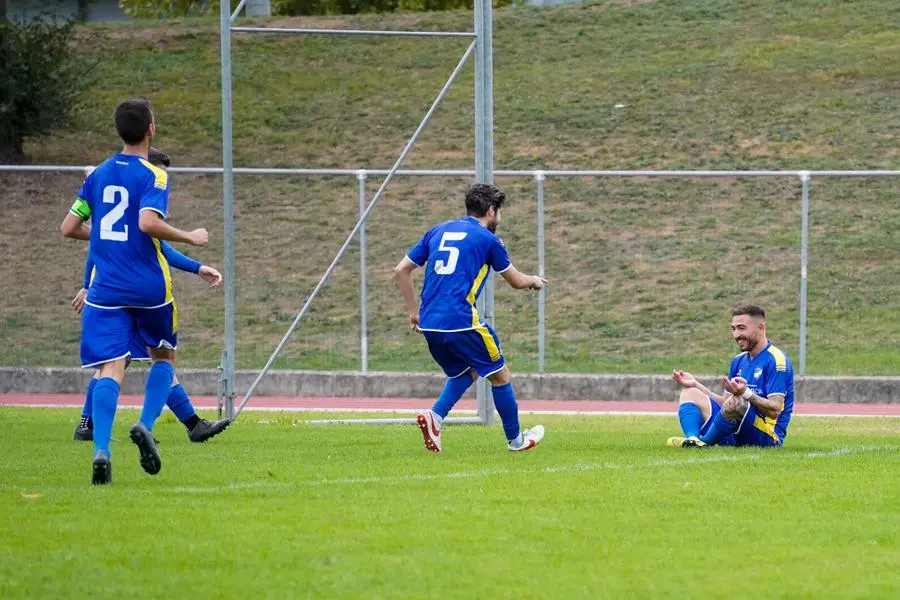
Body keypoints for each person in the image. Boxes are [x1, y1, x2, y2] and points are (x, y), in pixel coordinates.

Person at [60, 97, 210, 484]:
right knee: (164, 358)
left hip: (105, 289)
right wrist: (191, 238)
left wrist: (108, 239)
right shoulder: (154, 176)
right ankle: (145, 424)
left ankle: (102, 451)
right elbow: (147, 223)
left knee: (111, 367)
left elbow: (69, 228)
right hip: (148, 288)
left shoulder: (97, 174)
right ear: (151, 130)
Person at [71, 148, 230, 445]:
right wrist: (85, 284)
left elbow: (161, 250)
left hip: (126, 293)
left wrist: (197, 268)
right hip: (134, 296)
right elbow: (97, 248)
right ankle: (91, 424)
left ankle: (192, 424)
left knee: (143, 361)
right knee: (133, 361)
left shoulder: (135, 203)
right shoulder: (136, 203)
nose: (162, 179)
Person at [393, 183, 547, 453]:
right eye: (499, 213)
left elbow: (401, 270)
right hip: (461, 319)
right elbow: (516, 281)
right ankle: (516, 440)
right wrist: (535, 281)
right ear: (491, 211)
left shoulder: (437, 231)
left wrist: (413, 311)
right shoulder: (489, 240)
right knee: (500, 374)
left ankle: (435, 417)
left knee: (470, 369)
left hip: (430, 323)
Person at [667, 304, 795, 448]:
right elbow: (725, 404)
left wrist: (745, 393)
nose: (736, 335)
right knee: (689, 392)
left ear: (760, 328)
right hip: (737, 431)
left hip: (768, 436)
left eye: (741, 328)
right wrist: (696, 384)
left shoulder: (776, 361)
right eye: (733, 329)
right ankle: (692, 439)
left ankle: (705, 443)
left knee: (737, 401)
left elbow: (775, 410)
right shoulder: (738, 360)